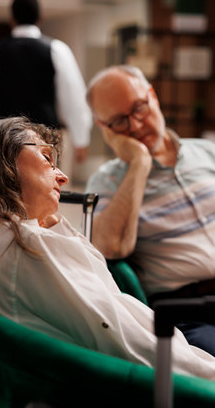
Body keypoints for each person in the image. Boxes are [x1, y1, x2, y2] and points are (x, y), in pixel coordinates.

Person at [0, 116, 215, 381]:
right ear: (3, 161)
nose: (63, 177)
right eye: (47, 158)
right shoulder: (25, 246)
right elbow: (121, 339)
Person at [85, 64, 215, 354]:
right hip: (188, 313)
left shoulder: (208, 153)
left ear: (153, 96)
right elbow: (111, 247)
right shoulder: (107, 181)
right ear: (104, 129)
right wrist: (139, 163)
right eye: (119, 121)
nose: (136, 125)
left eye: (139, 108)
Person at [0, 0, 92, 164]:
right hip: (46, 140)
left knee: (7, 189)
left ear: (11, 18)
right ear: (41, 17)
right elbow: (74, 99)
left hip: (6, 141)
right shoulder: (56, 49)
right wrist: (81, 139)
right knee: (46, 188)